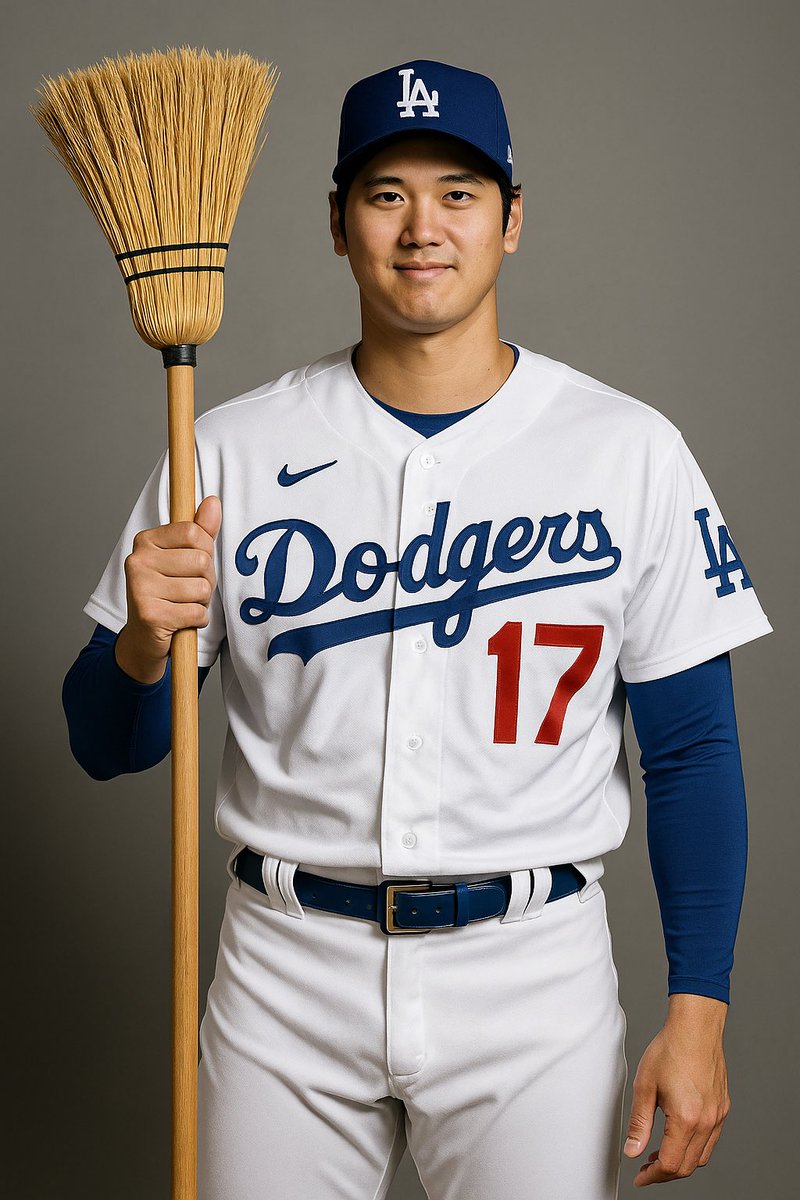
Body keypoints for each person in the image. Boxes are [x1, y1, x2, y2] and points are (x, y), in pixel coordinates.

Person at [62, 59, 773, 1199]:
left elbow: (691, 751)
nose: (421, 227)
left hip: (531, 979)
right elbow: (107, 745)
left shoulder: (625, 448)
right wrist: (143, 642)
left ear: (511, 218)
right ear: (337, 226)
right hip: (284, 975)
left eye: (457, 191)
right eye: (385, 193)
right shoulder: (223, 451)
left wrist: (698, 1010)